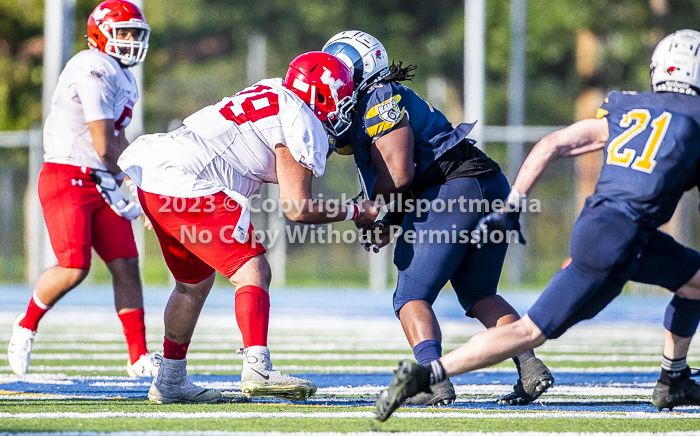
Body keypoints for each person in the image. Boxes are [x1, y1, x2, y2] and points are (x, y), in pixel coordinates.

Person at [374, 29, 700, 421]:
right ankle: (426, 374)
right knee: (530, 331)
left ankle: (673, 379)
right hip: (620, 240)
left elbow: (550, 145)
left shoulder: (629, 107)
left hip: (606, 228)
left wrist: (513, 205)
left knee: (694, 284)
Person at [118, 51, 379, 404]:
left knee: (192, 285)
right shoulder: (299, 117)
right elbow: (297, 208)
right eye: (342, 99)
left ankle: (170, 379)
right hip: (188, 181)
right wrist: (355, 210)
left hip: (158, 176)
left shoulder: (273, 90)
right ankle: (257, 366)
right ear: (322, 95)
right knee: (253, 270)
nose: (344, 109)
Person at [322, 30, 553, 406]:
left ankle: (431, 379)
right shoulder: (379, 99)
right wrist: (386, 221)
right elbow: (409, 177)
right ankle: (530, 366)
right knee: (479, 294)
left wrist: (371, 212)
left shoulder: (378, 97)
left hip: (454, 189)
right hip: (485, 185)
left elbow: (399, 174)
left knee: (411, 294)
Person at [7, 0, 158, 378]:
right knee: (74, 267)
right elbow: (105, 145)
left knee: (126, 266)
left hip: (99, 178)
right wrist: (135, 184)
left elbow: (118, 139)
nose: (130, 40)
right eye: (122, 32)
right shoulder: (91, 67)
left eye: (134, 34)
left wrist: (142, 176)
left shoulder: (124, 77)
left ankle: (138, 357)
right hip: (67, 174)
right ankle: (25, 326)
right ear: (100, 33)